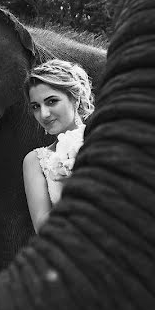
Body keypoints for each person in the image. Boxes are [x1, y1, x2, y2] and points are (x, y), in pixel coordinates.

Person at [22, 59, 94, 233]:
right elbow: (42, 228)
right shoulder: (36, 161)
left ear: (75, 99)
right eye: (35, 107)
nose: (43, 114)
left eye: (52, 101)